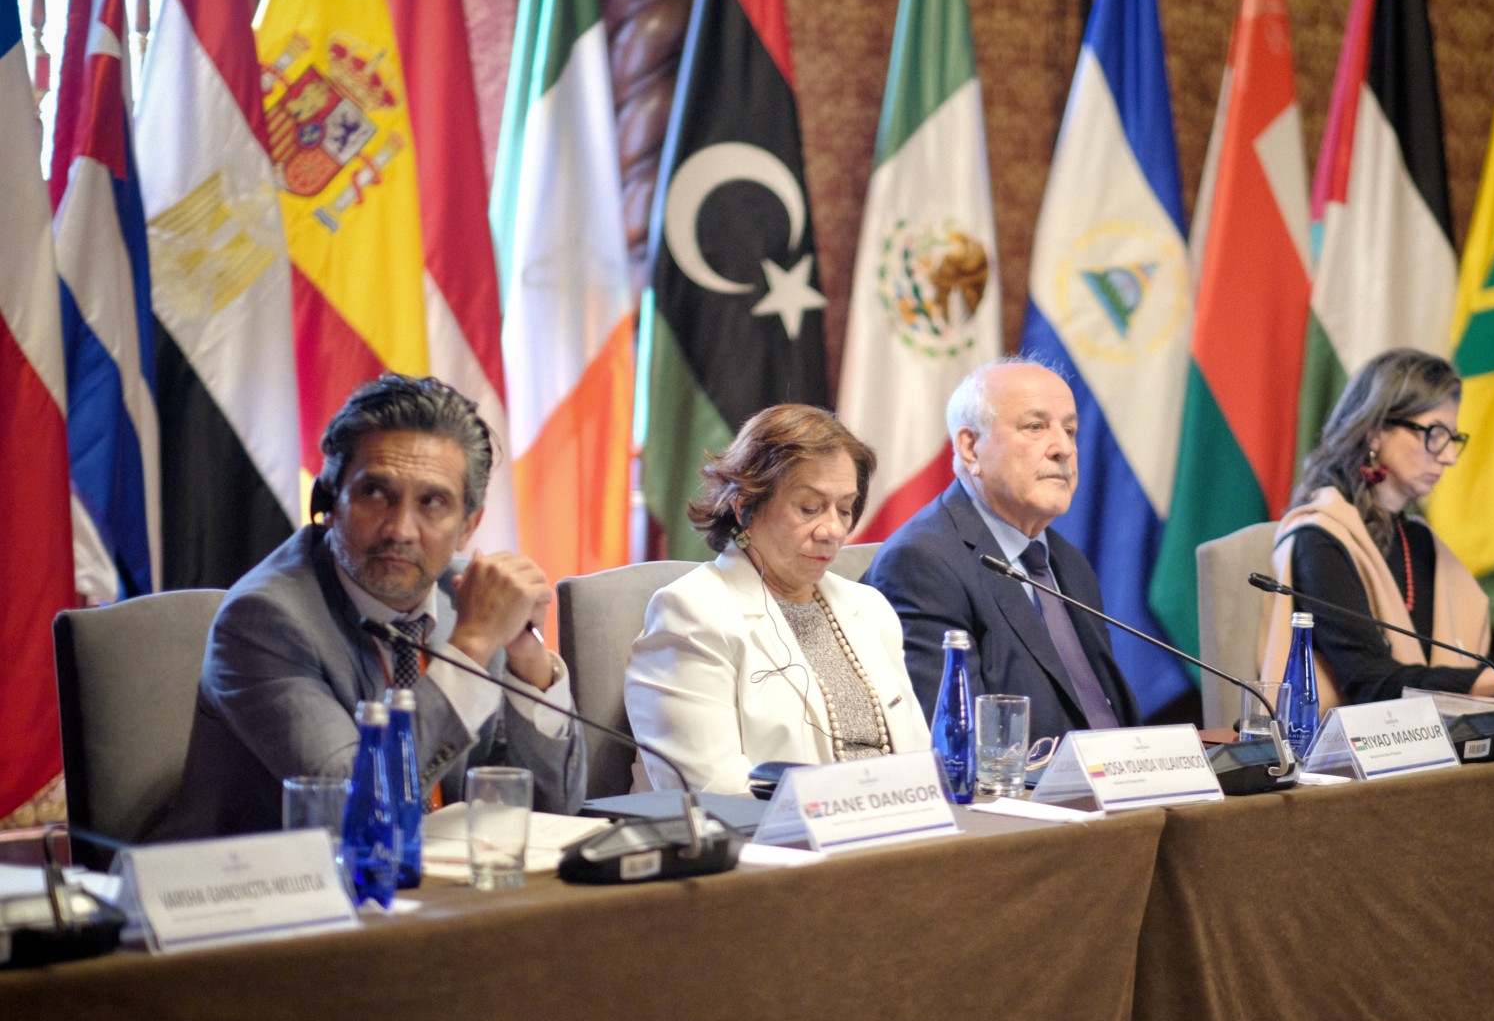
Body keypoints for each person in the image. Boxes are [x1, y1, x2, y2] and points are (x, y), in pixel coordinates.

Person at [164, 375, 585, 839]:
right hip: (285, 898)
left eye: (432, 502)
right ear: (329, 499)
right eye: (375, 493)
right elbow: (352, 807)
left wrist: (530, 664)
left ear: (468, 525)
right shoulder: (262, 621)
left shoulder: (466, 598)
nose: (400, 529)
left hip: (441, 896)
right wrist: (473, 647)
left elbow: (551, 811)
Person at [1260, 349, 1494, 709]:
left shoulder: (1418, 540)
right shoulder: (1318, 539)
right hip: (1348, 760)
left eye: (1452, 439)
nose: (1449, 457)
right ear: (1374, 433)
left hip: (1432, 746)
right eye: (1434, 434)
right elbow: (1376, 684)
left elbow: (1481, 665)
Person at [625, 405, 931, 795]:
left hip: (893, 833)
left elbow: (918, 758)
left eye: (845, 508)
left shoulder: (869, 608)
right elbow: (713, 793)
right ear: (745, 506)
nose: (833, 530)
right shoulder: (691, 612)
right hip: (768, 845)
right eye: (809, 508)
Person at [865, 359, 1140, 743]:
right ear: (970, 446)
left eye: (1070, 430)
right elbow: (958, 742)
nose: (1063, 448)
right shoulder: (921, 563)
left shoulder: (1067, 562)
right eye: (1035, 427)